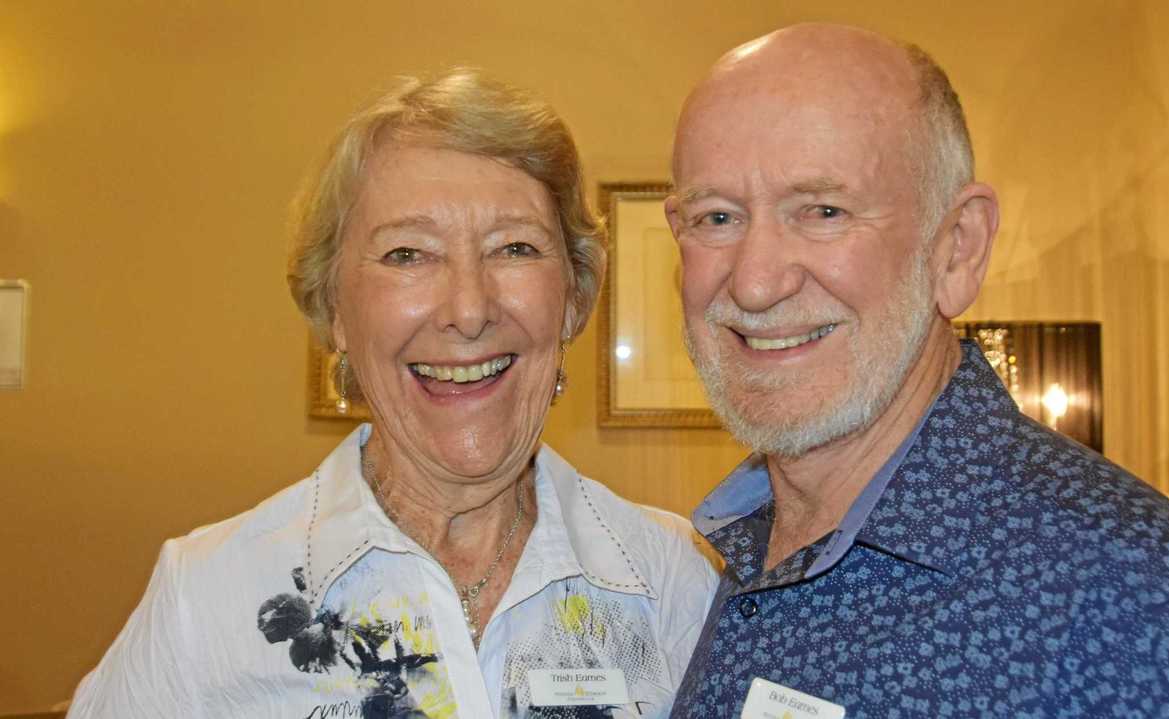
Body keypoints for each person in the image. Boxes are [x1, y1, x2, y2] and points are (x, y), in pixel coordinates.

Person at [665, 23, 1169, 718]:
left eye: (823, 211)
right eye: (716, 217)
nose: (754, 282)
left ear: (957, 249)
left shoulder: (1152, 606)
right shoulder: (734, 548)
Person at [68, 68, 718, 719]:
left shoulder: (672, 581)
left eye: (514, 247)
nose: (468, 309)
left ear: (573, 299)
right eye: (408, 254)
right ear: (336, 312)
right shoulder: (206, 600)